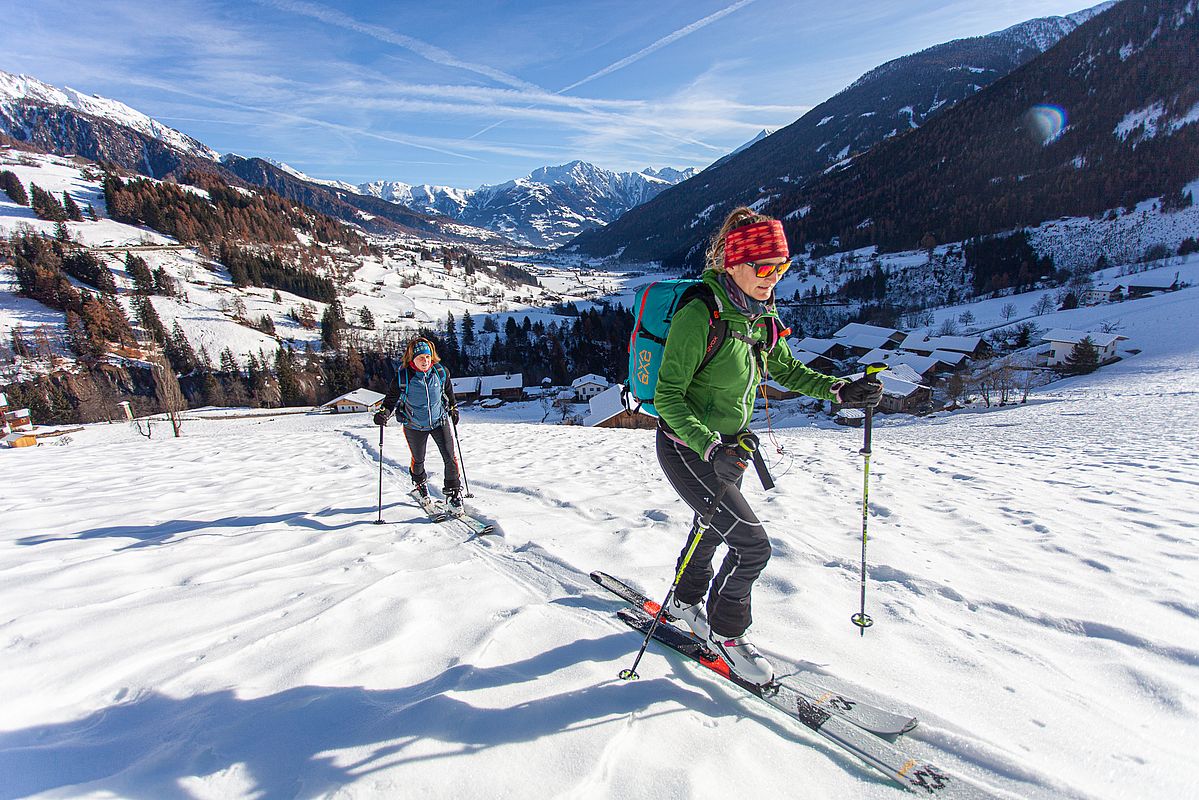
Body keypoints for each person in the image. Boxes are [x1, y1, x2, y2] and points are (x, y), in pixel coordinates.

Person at [654, 207, 883, 684]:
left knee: (713, 528)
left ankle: (683, 599)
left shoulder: (759, 314)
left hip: (731, 448)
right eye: (764, 268)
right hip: (688, 446)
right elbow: (667, 397)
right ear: (734, 263)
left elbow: (785, 369)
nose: (773, 278)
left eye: (782, 267)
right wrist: (709, 446)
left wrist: (840, 390)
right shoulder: (703, 312)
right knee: (753, 545)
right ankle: (727, 633)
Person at [374, 337, 464, 509]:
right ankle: (420, 484)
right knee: (419, 459)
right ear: (412, 359)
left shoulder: (440, 372)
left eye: (428, 357)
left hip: (439, 421)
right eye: (421, 357)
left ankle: (453, 493)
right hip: (414, 425)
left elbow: (448, 391)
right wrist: (383, 413)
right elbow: (390, 401)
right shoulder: (403, 377)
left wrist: (453, 408)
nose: (425, 361)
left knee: (450, 458)